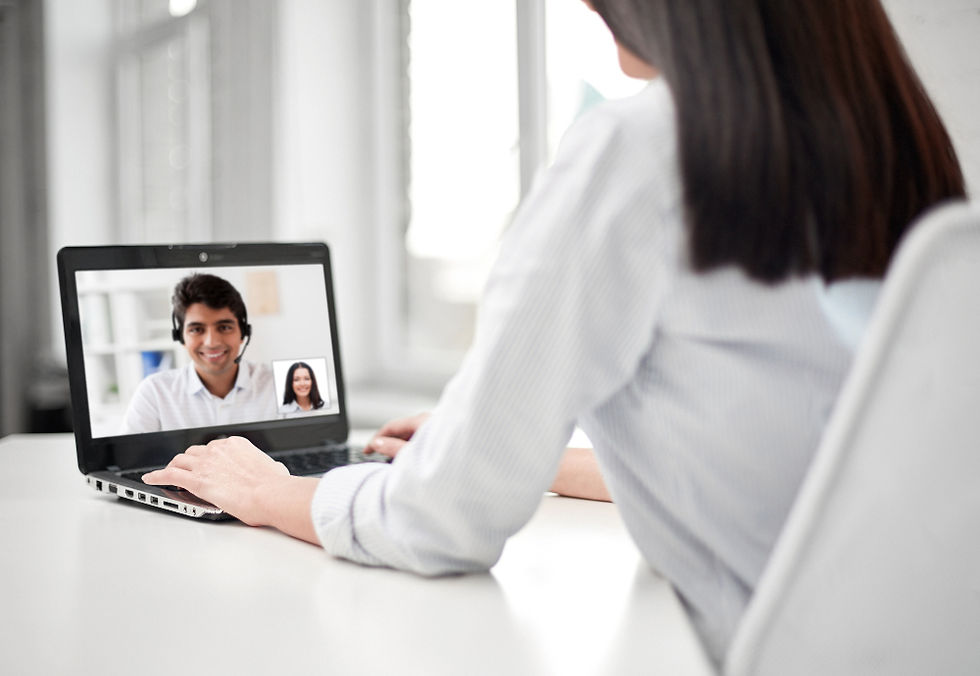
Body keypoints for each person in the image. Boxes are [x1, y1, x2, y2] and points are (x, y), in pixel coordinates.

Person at [143, 0, 965, 663]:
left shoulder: (644, 146)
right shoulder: (895, 142)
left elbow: (444, 521)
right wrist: (510, 441)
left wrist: (265, 490)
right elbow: (805, 455)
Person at [123, 273, 277, 433]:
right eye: (197, 329)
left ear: (243, 333)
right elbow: (130, 457)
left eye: (224, 327)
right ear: (181, 336)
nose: (211, 342)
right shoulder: (154, 392)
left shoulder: (280, 385)